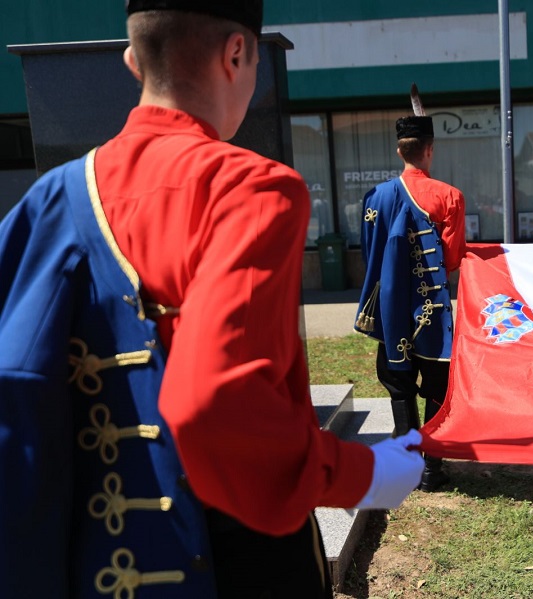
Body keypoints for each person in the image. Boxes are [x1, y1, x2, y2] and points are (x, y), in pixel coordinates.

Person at [0, 2, 424, 597]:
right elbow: (210, 405)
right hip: (233, 556)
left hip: (97, 562)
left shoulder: (45, 202)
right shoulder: (250, 189)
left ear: (132, 61)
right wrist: (367, 473)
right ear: (235, 55)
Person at [355, 110, 466, 493]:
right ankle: (433, 469)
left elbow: (370, 255)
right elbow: (452, 260)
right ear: (429, 150)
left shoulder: (376, 197)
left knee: (398, 385)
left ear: (399, 150)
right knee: (436, 387)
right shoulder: (449, 197)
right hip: (433, 314)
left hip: (392, 311)